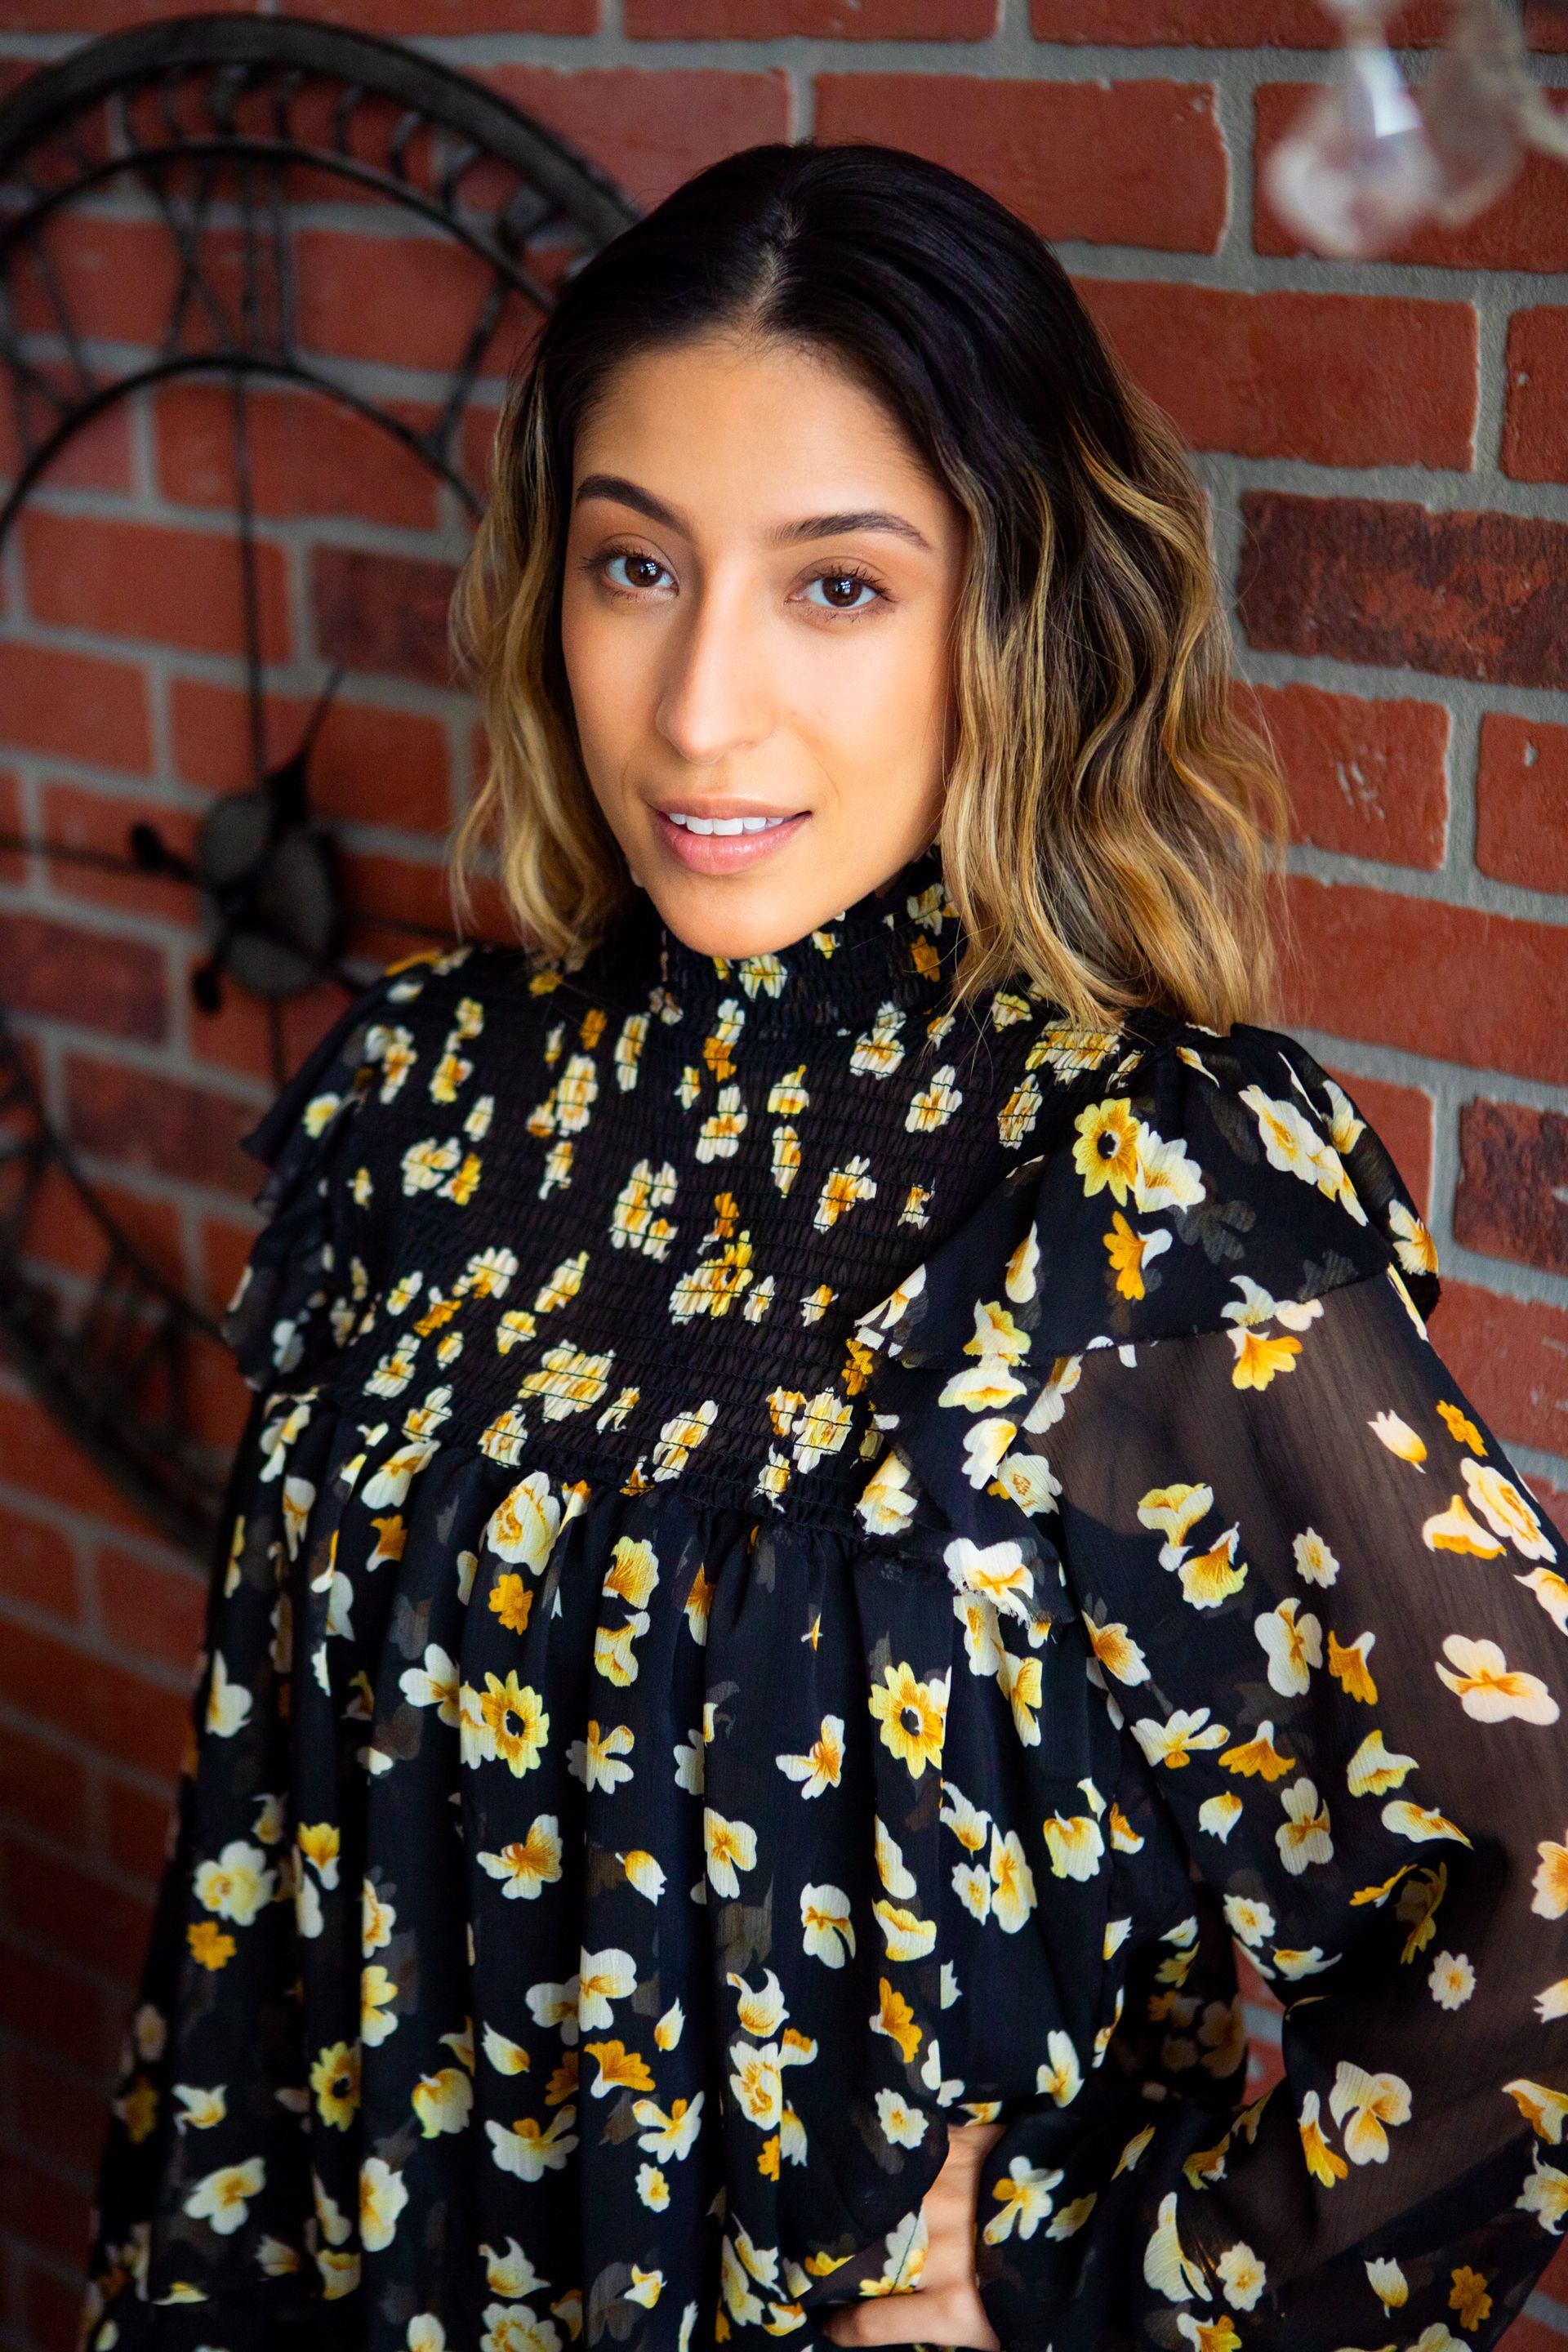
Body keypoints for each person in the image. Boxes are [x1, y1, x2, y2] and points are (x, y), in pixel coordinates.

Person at [83, 140, 1568, 2352]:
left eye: (840, 587)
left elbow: (1546, 1898)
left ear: (1020, 612)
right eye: (635, 566)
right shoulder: (420, 1097)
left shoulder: (1130, 1190)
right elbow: (261, 1883)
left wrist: (1109, 2296)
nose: (699, 709)